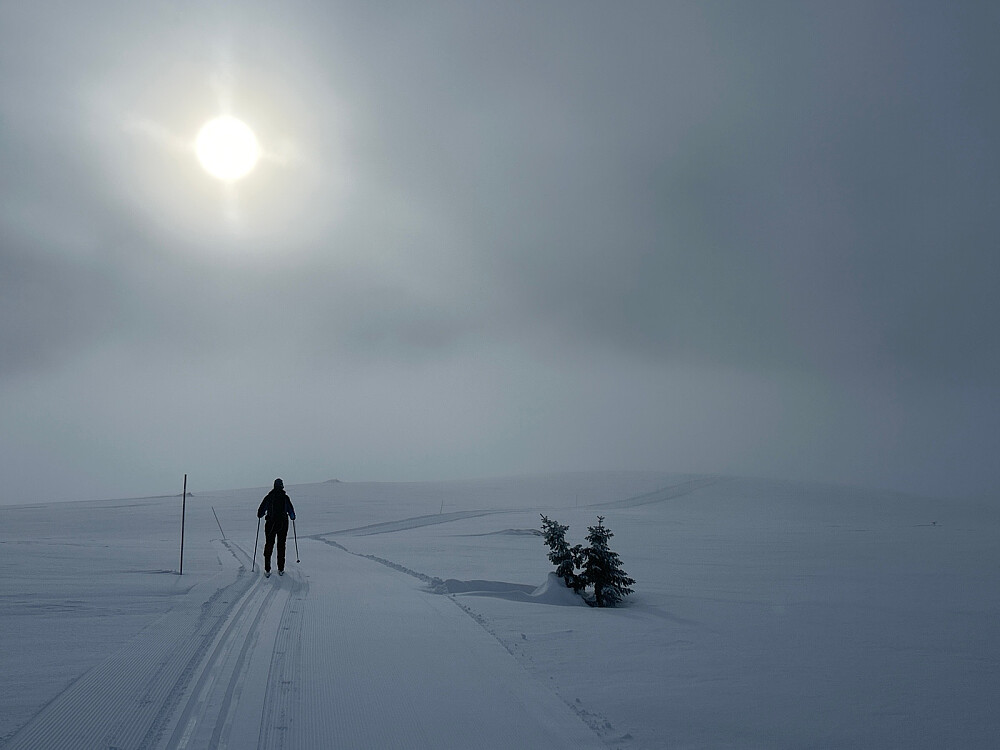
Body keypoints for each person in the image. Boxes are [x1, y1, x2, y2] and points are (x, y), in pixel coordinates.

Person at [257, 478, 296, 577]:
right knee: (281, 545)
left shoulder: (269, 497)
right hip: (283, 524)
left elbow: (260, 513)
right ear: (282, 486)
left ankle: (267, 569)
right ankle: (281, 569)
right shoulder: (285, 498)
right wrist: (292, 517)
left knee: (269, 544)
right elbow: (292, 513)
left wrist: (261, 515)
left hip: (270, 524)